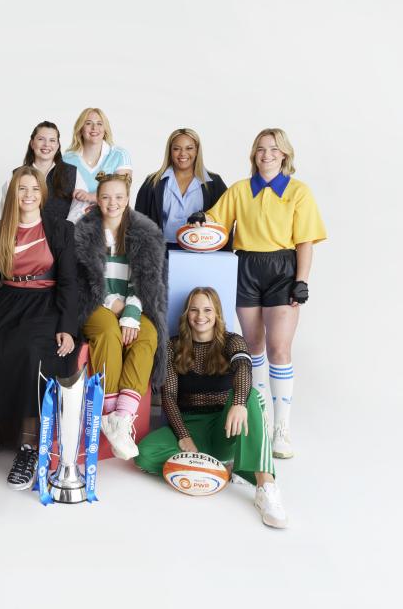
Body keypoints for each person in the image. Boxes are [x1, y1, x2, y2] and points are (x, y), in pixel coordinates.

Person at [202, 128, 326, 458]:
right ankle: (258, 420)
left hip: (282, 269)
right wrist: (202, 220)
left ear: (285, 154)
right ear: (253, 154)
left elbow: (305, 241)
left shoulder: (298, 192)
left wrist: (302, 280)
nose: (266, 154)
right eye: (260, 149)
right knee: (252, 346)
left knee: (279, 349)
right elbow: (214, 222)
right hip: (246, 267)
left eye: (273, 149)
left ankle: (281, 428)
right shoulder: (241, 190)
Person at [134, 287, 287, 528]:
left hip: (224, 425)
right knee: (144, 453)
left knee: (252, 396)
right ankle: (221, 466)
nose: (200, 316)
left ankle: (265, 486)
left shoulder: (232, 341)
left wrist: (237, 403)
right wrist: (184, 438)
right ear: (186, 314)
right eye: (194, 310)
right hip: (190, 426)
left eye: (207, 309)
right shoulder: (173, 346)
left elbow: (244, 371)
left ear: (217, 313)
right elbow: (170, 398)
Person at [0, 167, 77, 488]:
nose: (28, 195)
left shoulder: (60, 229)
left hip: (44, 302)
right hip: (8, 300)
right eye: (21, 189)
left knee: (33, 352)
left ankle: (29, 447)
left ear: (42, 194)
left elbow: (69, 281)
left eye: (34, 189)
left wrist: (67, 326)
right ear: (13, 193)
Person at [74, 172, 167, 459]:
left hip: (131, 302)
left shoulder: (146, 233)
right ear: (97, 199)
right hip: (94, 303)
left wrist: (131, 312)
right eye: (105, 196)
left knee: (148, 332)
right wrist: (113, 305)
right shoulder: (83, 232)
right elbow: (83, 280)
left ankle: (121, 418)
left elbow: (147, 280)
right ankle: (108, 409)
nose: (112, 202)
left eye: (118, 197)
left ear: (127, 199)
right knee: (108, 332)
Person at [135, 128, 230, 249]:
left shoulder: (214, 183)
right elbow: (138, 223)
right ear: (170, 151)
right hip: (161, 252)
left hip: (201, 251)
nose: (182, 154)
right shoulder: (152, 183)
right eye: (176, 148)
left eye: (189, 148)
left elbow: (226, 220)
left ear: (197, 151)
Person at [62, 107, 132, 223]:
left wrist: (90, 197)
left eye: (99, 123)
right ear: (80, 129)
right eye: (88, 123)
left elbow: (123, 191)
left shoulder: (119, 155)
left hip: (111, 224)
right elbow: (61, 196)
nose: (94, 128)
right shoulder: (67, 159)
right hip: (75, 225)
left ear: (105, 129)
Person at [0, 121, 76, 221]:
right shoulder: (16, 175)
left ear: (57, 146)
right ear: (32, 143)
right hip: (24, 235)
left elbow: (78, 210)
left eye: (52, 140)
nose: (46, 144)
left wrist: (64, 230)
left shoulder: (73, 173)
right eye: (41, 139)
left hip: (61, 235)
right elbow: (5, 213)